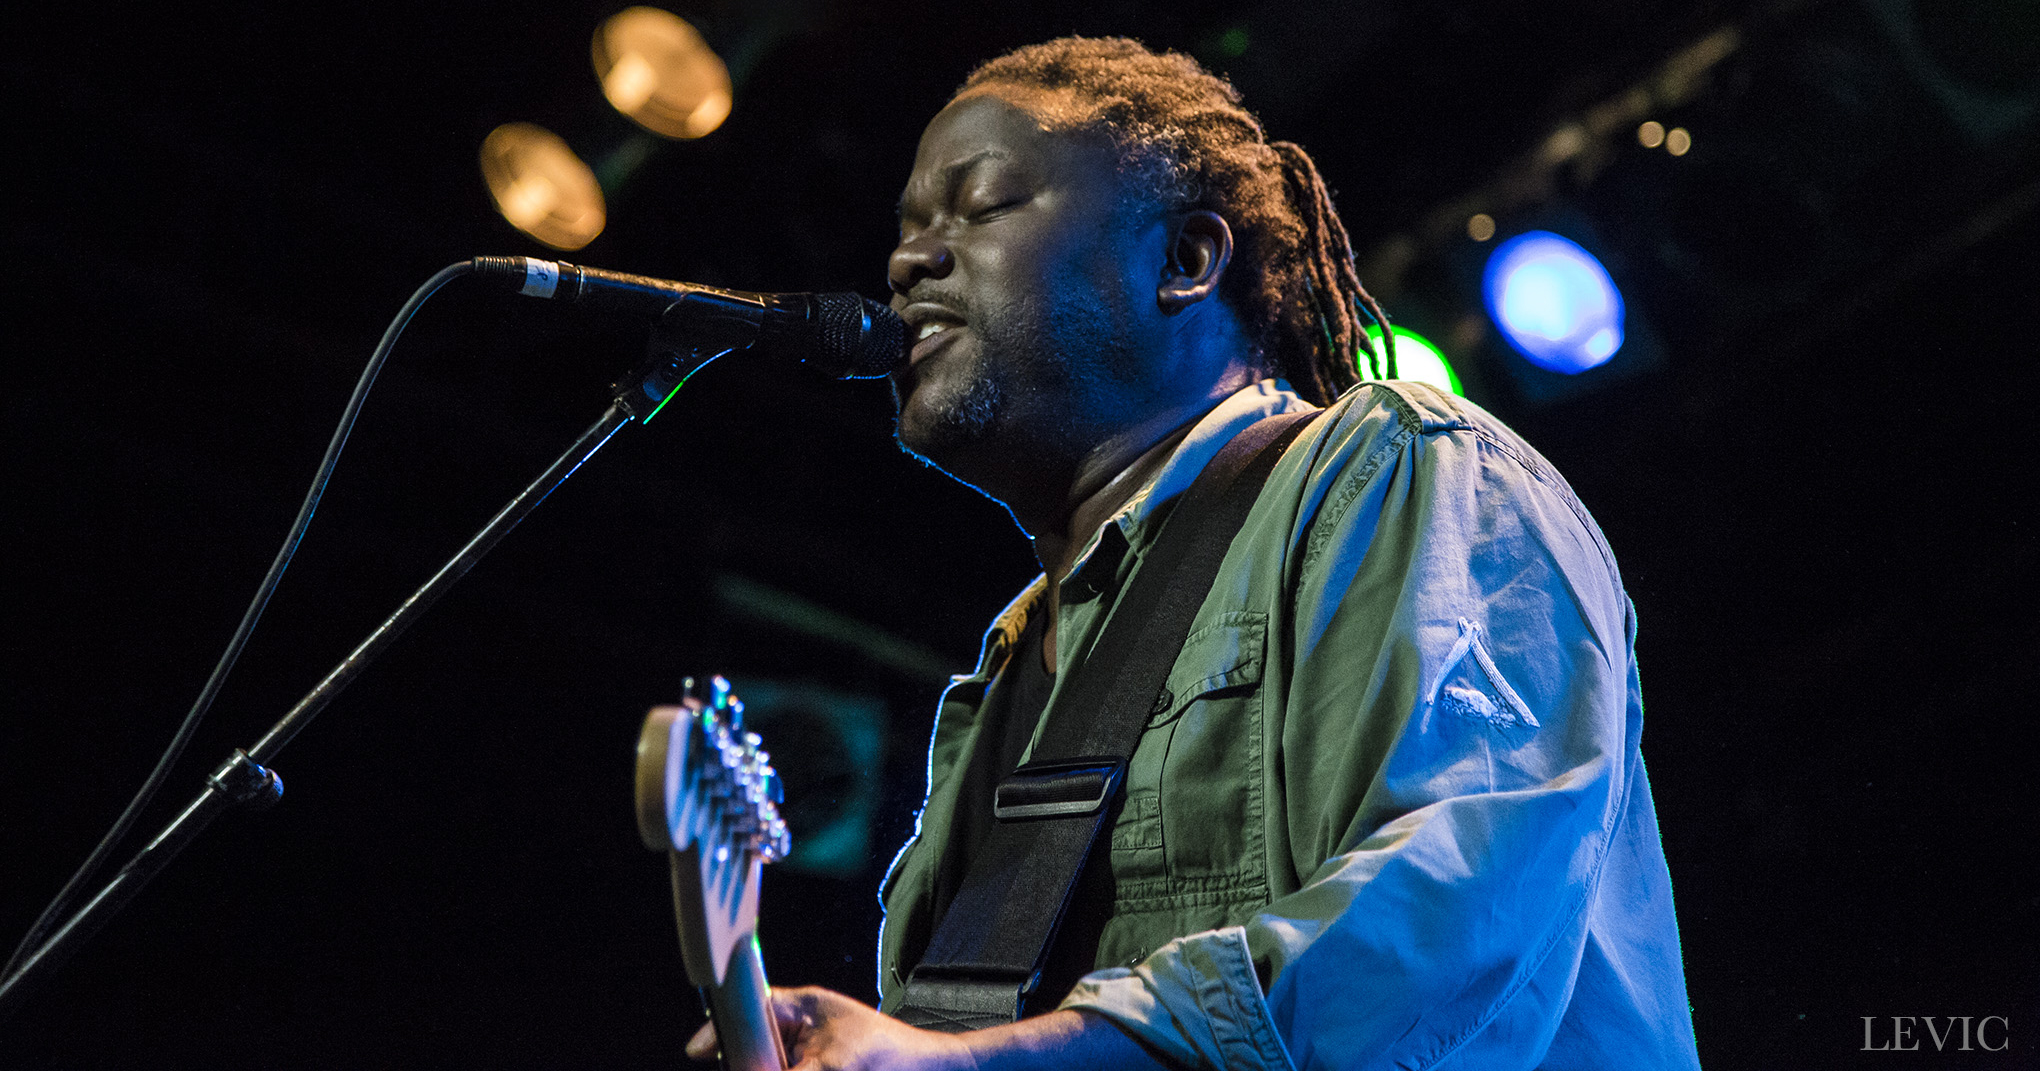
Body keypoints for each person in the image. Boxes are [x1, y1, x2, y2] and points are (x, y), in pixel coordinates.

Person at [690, 36, 1701, 1070]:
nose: (908, 263)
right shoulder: (1010, 674)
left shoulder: (1393, 470)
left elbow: (1439, 931)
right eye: (907, 230)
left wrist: (970, 1065)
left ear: (1184, 262)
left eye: (982, 205)